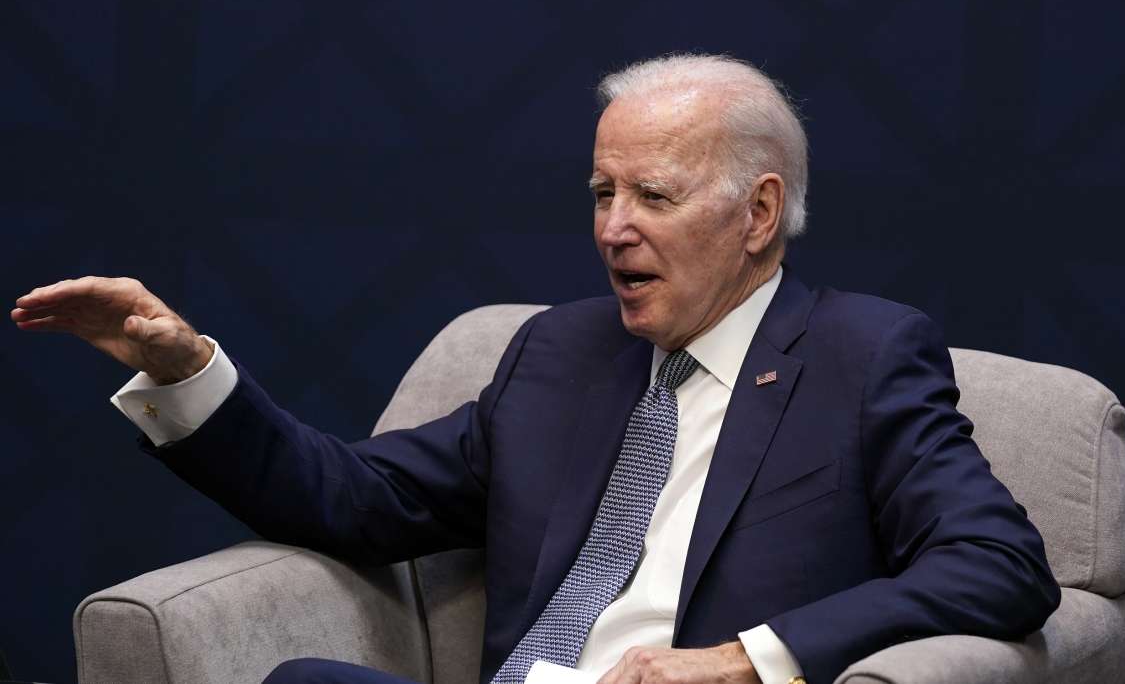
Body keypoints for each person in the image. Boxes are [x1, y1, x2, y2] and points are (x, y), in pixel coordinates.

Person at [10, 54, 1059, 684]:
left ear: (758, 213)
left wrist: (746, 661)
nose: (612, 229)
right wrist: (186, 369)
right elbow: (354, 499)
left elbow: (1000, 564)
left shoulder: (862, 356)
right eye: (602, 193)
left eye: (652, 196)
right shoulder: (560, 352)